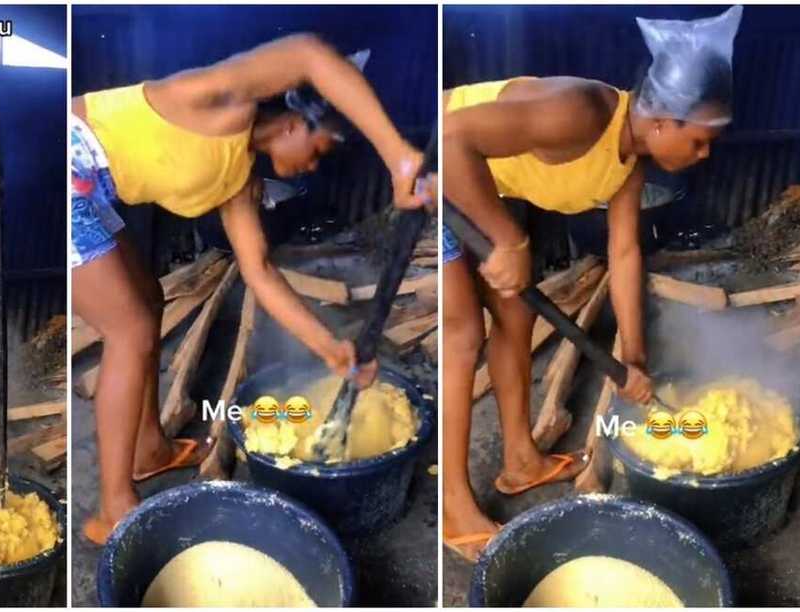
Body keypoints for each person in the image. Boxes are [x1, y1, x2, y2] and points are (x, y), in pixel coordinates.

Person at [71, 33, 432, 544]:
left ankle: (147, 448)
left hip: (89, 189)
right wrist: (398, 156)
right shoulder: (218, 99)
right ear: (292, 121)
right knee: (127, 329)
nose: (313, 165)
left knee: (149, 303)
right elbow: (309, 54)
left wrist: (330, 348)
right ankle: (114, 508)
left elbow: (260, 272)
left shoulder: (238, 174)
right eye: (319, 148)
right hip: (62, 169)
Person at [441, 6, 742, 562]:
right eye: (699, 141)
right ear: (660, 121)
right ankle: (454, 508)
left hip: (486, 184)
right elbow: (450, 135)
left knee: (515, 318)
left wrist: (634, 360)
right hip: (437, 173)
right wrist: (509, 241)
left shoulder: (630, 161)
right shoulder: (580, 111)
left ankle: (519, 462)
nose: (704, 156)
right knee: (463, 338)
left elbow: (623, 252)